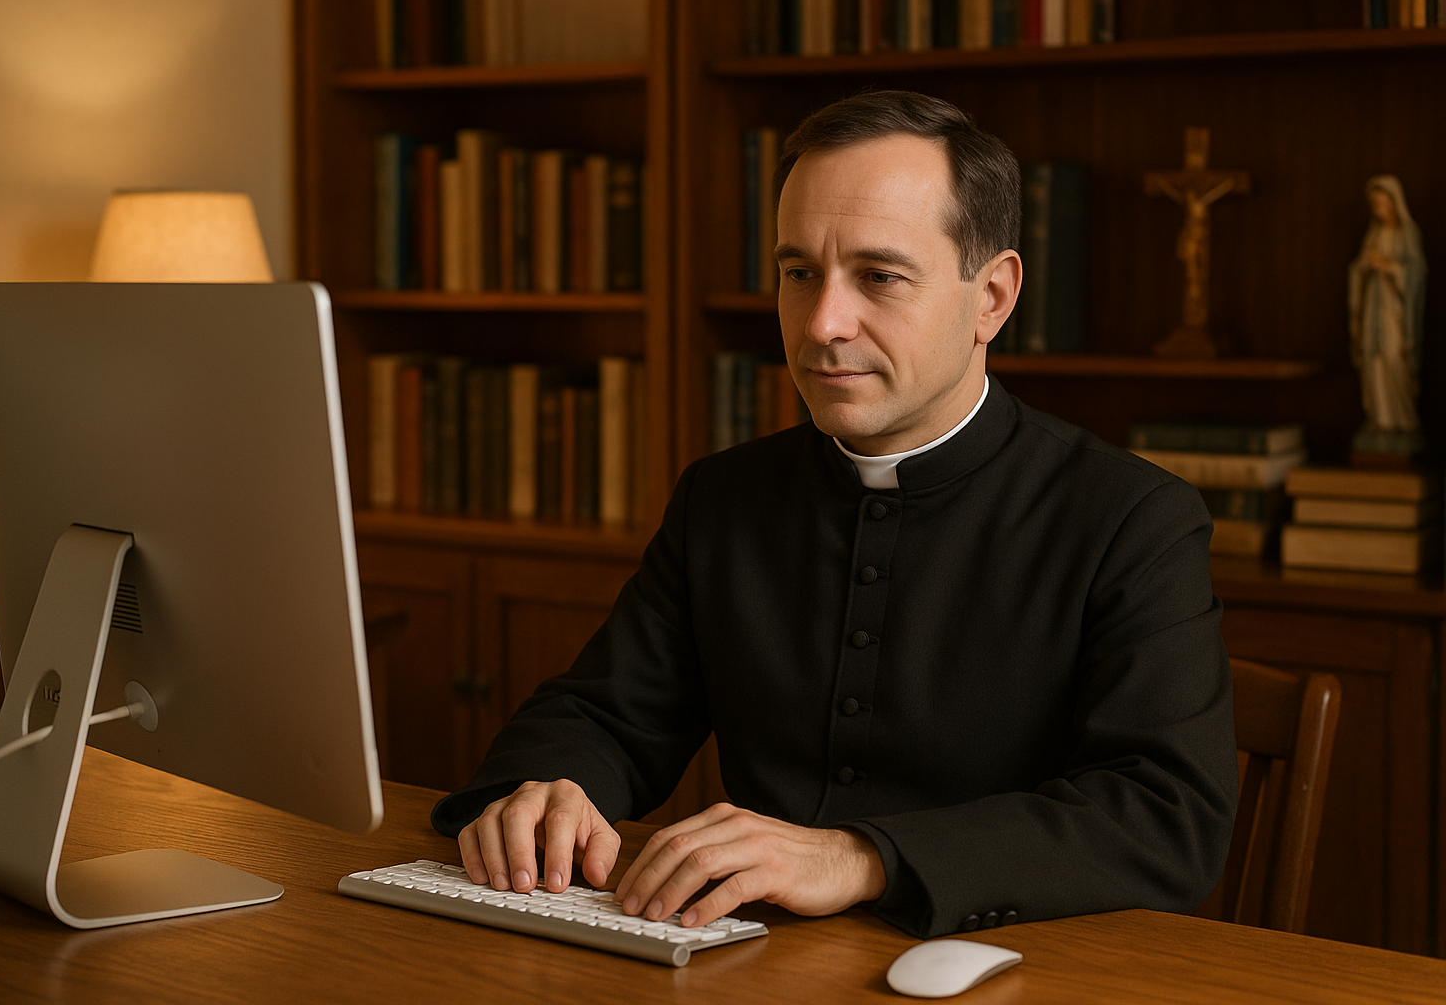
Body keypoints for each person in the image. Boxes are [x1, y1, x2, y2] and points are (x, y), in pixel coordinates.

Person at [432, 91, 1238, 939]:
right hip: (746, 960)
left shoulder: (1132, 519)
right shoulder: (724, 498)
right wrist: (546, 791)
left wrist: (859, 857)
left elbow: (1166, 817)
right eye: (799, 273)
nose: (822, 323)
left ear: (992, 298)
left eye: (879, 277)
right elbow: (605, 713)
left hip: (1009, 967)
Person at [1348, 174, 1427, 443]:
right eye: (1374, 204)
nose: (1377, 209)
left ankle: (1403, 418)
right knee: (1373, 359)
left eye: (1381, 203)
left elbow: (1416, 275)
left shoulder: (1407, 234)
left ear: (1393, 203)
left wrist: (1390, 267)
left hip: (1395, 310)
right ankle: (1380, 419)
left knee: (1394, 357)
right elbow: (1358, 269)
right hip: (1373, 306)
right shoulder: (1373, 234)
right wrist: (1366, 266)